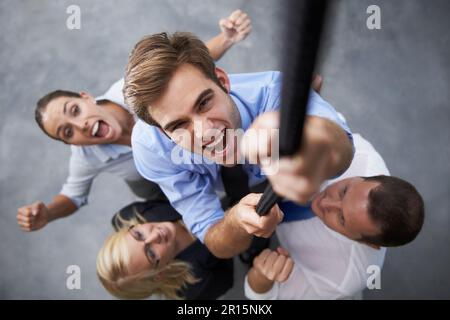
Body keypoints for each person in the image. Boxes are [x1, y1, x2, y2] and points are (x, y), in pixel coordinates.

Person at [16, 10, 253, 232]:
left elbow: (182, 70)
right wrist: (48, 213)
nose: (81, 125)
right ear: (71, 143)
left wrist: (226, 38)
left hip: (202, 152)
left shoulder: (130, 91)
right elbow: (72, 195)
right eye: (67, 132)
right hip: (159, 181)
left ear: (87, 98)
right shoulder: (86, 157)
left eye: (75, 110)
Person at [122, 32, 354, 258]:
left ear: (222, 81)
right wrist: (234, 222)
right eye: (178, 125)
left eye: (204, 103)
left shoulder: (278, 93)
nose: (206, 133)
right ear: (163, 131)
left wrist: (311, 136)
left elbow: (342, 149)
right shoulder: (151, 148)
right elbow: (214, 241)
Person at [244, 134, 425, 299]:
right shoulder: (358, 153)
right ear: (364, 175)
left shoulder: (341, 279)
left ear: (367, 243)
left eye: (342, 219)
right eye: (344, 191)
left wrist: (261, 276)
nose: (324, 203)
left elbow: (263, 299)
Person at [97, 200, 234, 300]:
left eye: (138, 234)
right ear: (159, 274)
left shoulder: (130, 215)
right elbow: (228, 274)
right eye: (151, 253)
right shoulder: (197, 288)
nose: (155, 235)